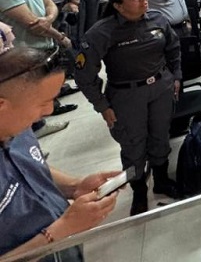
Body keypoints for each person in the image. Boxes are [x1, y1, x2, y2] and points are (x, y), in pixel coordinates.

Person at [0, 44, 119, 260]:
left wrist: (73, 186)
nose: (50, 110)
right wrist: (59, 231)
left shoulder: (17, 126)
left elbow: (29, 165)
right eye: (43, 103)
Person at [76, 0, 182, 215]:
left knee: (160, 136)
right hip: (127, 95)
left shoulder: (157, 19)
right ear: (118, 6)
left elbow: (173, 49)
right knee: (133, 145)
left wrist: (176, 77)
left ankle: (162, 180)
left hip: (160, 88)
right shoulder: (101, 32)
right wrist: (102, 105)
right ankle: (139, 190)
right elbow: (84, 74)